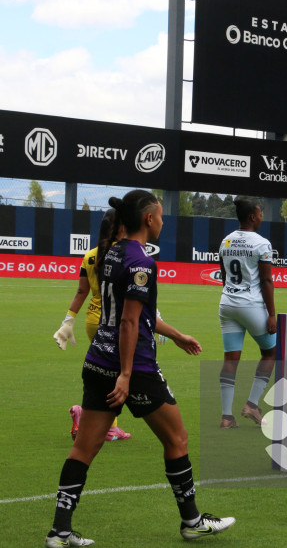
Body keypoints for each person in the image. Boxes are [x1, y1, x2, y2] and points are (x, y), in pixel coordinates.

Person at [44, 190, 234, 547]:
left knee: (84, 449)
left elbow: (138, 316)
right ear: (148, 219)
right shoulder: (142, 262)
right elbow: (130, 323)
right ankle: (192, 521)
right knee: (176, 439)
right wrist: (127, 375)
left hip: (97, 361)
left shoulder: (109, 253)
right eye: (160, 215)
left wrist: (176, 335)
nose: (163, 221)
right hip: (134, 368)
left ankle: (59, 531)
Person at [53, 208, 131, 442]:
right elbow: (129, 292)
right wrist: (155, 316)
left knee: (108, 373)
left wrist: (68, 321)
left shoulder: (89, 256)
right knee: (118, 374)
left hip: (92, 320)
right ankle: (103, 423)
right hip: (114, 320)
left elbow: (81, 291)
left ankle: (88, 417)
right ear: (120, 228)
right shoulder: (124, 255)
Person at [217, 197, 277, 429]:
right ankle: (252, 404)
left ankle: (226, 417)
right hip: (251, 305)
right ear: (252, 216)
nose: (262, 217)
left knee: (231, 358)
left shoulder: (226, 241)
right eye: (260, 214)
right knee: (271, 353)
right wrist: (271, 314)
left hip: (227, 304)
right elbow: (266, 280)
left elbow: (223, 276)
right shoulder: (261, 243)